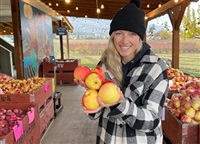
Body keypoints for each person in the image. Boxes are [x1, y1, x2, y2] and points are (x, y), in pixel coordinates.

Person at [75, 0, 169, 143]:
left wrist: (120, 104)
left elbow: (151, 120)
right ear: (113, 36)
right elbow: (95, 114)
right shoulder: (104, 65)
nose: (125, 41)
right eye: (119, 33)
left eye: (132, 34)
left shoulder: (156, 69)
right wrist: (91, 94)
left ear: (140, 37)